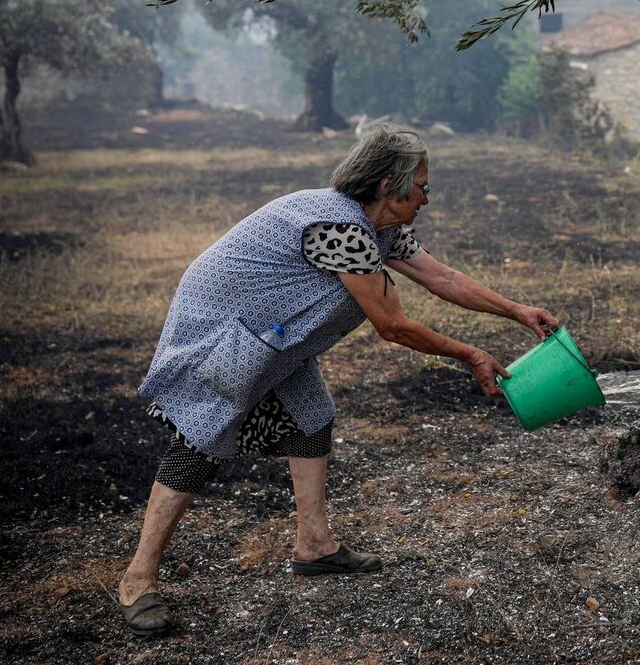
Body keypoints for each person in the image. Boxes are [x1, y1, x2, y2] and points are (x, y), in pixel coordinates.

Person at [117, 124, 558, 636]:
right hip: (225, 335)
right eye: (423, 186)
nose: (428, 198)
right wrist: (471, 355)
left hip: (277, 337)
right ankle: (137, 579)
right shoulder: (340, 227)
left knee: (310, 421)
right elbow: (392, 326)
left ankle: (315, 546)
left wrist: (518, 312)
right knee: (199, 444)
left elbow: (443, 278)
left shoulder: (381, 228)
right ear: (388, 188)